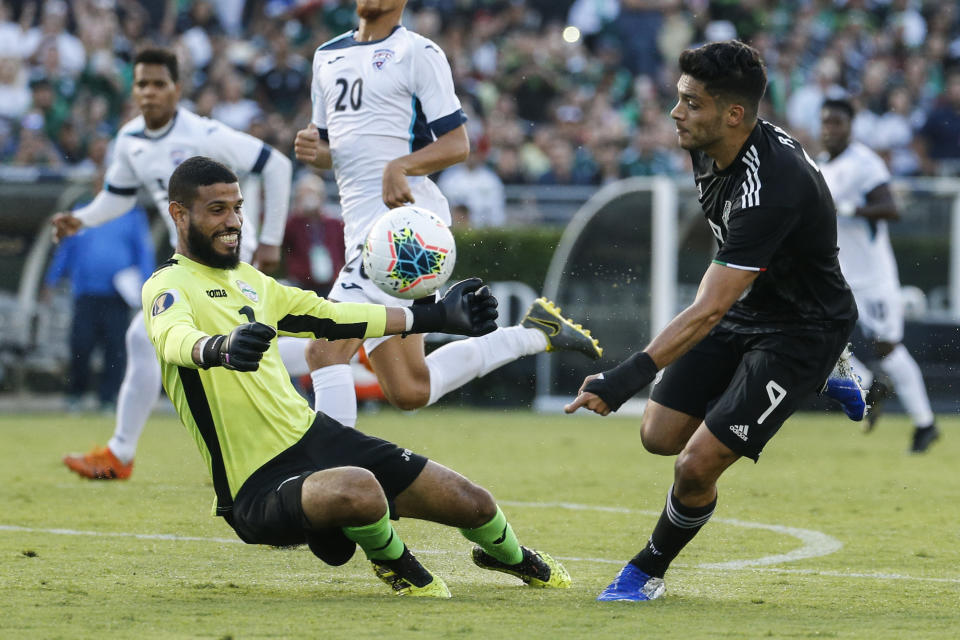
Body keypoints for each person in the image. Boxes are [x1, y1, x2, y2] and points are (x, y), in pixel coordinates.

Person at [144, 155, 571, 597]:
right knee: (360, 489)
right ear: (179, 213)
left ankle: (513, 558)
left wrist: (437, 315)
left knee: (473, 501)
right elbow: (173, 337)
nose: (233, 221)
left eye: (237, 207)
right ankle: (394, 564)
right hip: (255, 485)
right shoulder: (167, 284)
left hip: (315, 437)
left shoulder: (254, 282)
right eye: (217, 210)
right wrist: (218, 348)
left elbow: (333, 317)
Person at [565, 41, 859, 602]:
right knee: (658, 436)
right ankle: (822, 377)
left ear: (733, 115)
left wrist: (621, 378)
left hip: (804, 329)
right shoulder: (707, 145)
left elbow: (709, 308)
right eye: (679, 99)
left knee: (695, 466)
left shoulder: (773, 186)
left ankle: (645, 572)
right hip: (747, 306)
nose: (676, 113)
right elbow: (722, 283)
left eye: (691, 103)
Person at [293, 0, 601, 429]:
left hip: (403, 228)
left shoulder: (419, 52)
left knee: (324, 349)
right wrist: (314, 154)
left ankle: (332, 474)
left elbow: (457, 143)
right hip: (360, 228)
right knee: (409, 389)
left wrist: (401, 166)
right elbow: (334, 152)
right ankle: (534, 332)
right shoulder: (326, 55)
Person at [54, 47, 292, 480]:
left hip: (230, 250)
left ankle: (337, 358)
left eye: (158, 84)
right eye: (141, 84)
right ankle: (119, 453)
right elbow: (118, 197)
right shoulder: (130, 141)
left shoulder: (205, 134)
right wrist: (82, 219)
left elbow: (275, 165)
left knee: (244, 344)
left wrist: (270, 239)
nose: (149, 92)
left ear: (177, 89)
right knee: (144, 336)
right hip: (190, 261)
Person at [819, 98, 940, 453]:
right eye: (826, 122)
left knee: (888, 348)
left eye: (838, 122)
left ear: (850, 126)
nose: (830, 129)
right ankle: (870, 385)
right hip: (839, 275)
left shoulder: (864, 163)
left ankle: (925, 424)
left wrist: (849, 208)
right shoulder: (822, 165)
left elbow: (890, 208)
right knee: (822, 336)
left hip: (873, 277)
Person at [42, 193, 154, 411]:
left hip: (118, 297)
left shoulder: (132, 215)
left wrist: (149, 287)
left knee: (116, 349)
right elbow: (66, 250)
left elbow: (143, 252)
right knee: (80, 345)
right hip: (86, 294)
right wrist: (51, 280)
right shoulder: (82, 213)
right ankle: (76, 395)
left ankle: (109, 399)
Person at [281, 173, 345, 296]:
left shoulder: (335, 224)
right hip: (301, 284)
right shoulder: (294, 224)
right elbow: (283, 243)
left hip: (331, 284)